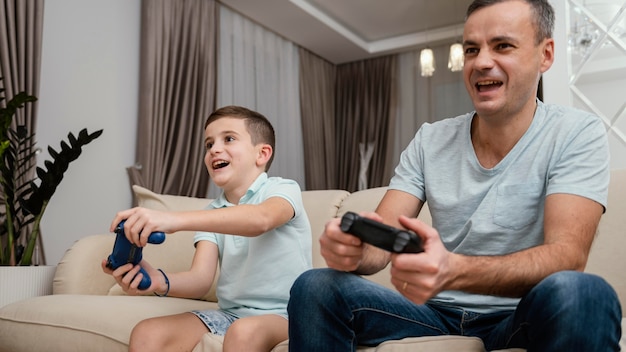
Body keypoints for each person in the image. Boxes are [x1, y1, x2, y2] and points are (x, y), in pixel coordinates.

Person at [287, 0, 622, 351]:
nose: (481, 62)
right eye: (471, 50)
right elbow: (381, 244)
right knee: (316, 286)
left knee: (584, 292)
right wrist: (355, 253)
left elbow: (567, 256)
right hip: (434, 314)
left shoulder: (575, 132)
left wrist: (454, 269)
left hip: (520, 313)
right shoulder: (431, 139)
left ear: (545, 54)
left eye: (503, 46)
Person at [102, 105, 312, 352]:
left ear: (262, 154)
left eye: (229, 139)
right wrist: (159, 281)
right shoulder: (212, 213)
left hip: (286, 316)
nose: (215, 149)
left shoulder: (283, 189)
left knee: (243, 332)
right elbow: (200, 279)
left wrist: (172, 220)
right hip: (230, 315)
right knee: (147, 333)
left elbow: (261, 219)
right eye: (209, 144)